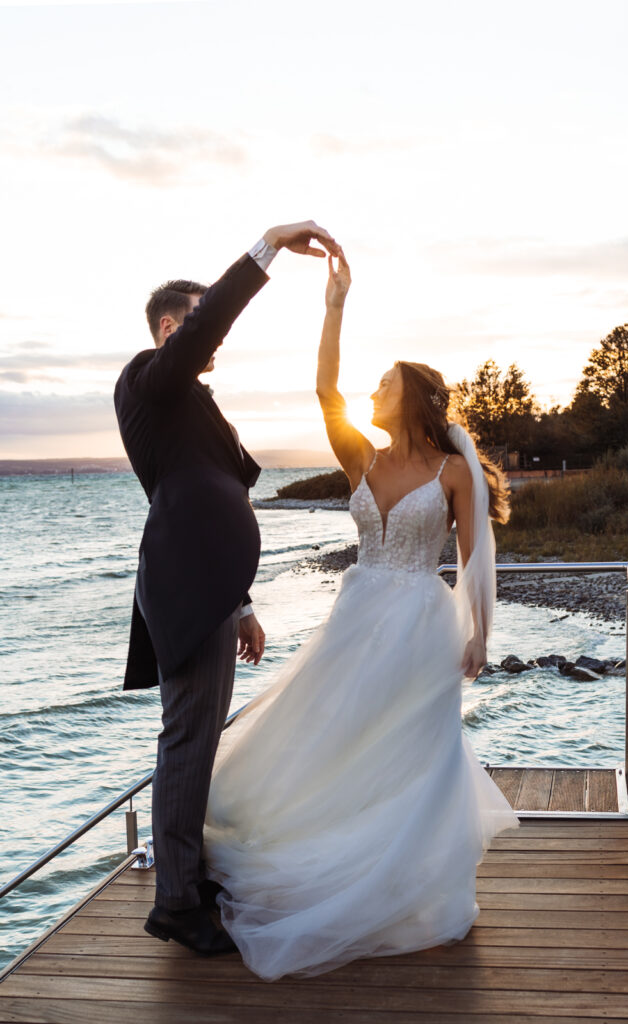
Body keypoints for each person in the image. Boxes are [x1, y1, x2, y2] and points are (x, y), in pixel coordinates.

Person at [202, 251, 521, 979]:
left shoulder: (450, 475)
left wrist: (480, 637)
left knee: (414, 753)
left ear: (411, 399)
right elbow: (324, 389)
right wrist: (334, 304)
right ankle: (332, 861)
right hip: (356, 614)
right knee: (336, 737)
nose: (371, 391)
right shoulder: (362, 459)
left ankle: (419, 889)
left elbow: (474, 564)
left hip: (418, 622)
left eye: (384, 383)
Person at [114, 220, 341, 956]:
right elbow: (206, 326)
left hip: (209, 588)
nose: (212, 338)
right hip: (182, 584)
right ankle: (176, 902)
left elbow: (223, 487)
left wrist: (240, 601)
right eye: (198, 319)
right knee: (185, 743)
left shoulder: (189, 404)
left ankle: (189, 874)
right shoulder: (148, 378)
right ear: (170, 326)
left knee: (200, 741)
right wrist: (266, 246)